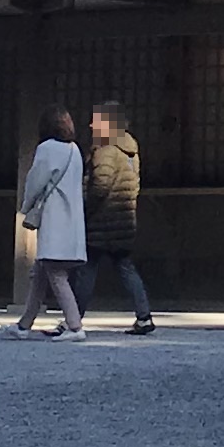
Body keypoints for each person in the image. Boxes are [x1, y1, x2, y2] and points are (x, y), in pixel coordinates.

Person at [83, 101, 155, 333]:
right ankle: (144, 316)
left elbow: (100, 186)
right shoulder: (130, 151)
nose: (91, 124)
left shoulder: (106, 150)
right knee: (125, 267)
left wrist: (85, 210)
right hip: (124, 219)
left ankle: (72, 318)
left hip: (102, 220)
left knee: (87, 267)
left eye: (97, 120)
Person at [10, 111, 84, 338]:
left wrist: (25, 206)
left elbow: (36, 179)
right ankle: (24, 324)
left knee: (55, 273)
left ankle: (75, 326)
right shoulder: (75, 150)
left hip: (54, 218)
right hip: (71, 218)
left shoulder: (47, 149)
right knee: (40, 272)